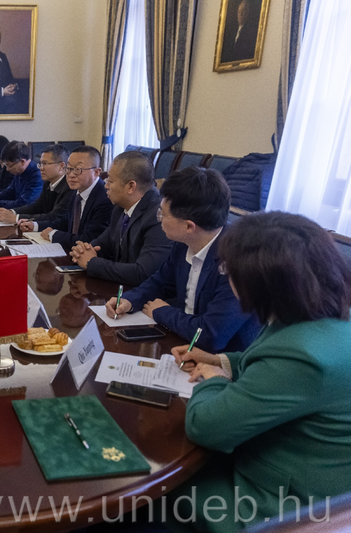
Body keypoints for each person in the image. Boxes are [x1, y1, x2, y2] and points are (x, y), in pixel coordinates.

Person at [166, 211, 351, 532]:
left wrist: (214, 381)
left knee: (153, 490)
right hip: (305, 472)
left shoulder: (302, 356)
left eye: (227, 270)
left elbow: (204, 427)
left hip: (281, 504)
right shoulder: (323, 316)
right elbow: (272, 366)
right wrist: (220, 360)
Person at [106, 166, 259, 352]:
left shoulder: (239, 263)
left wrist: (162, 312)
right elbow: (161, 282)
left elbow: (211, 335)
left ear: (189, 226)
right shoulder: (184, 242)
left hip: (223, 358)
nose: (159, 219)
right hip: (183, 341)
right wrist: (129, 300)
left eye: (162, 214)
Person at [69, 151, 172, 285]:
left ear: (131, 186)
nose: (105, 185)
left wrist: (91, 263)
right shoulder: (119, 208)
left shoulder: (158, 216)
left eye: (110, 181)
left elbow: (142, 273)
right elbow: (102, 244)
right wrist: (82, 252)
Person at [21, 145, 112, 251]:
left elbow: (89, 239)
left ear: (96, 172)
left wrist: (52, 234)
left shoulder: (105, 198)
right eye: (69, 169)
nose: (71, 175)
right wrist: (35, 225)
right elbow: (65, 222)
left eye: (78, 169)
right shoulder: (76, 191)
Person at [0, 144, 74, 225]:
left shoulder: (70, 187)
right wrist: (12, 212)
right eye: (40, 163)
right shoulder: (48, 183)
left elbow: (54, 217)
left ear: (61, 166)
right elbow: (37, 207)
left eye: (45, 163)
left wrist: (16, 218)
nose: (41, 168)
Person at [0, 141, 42, 210]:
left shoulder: (37, 176)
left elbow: (24, 202)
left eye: (9, 166)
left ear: (22, 162)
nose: (7, 169)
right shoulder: (19, 172)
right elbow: (9, 192)